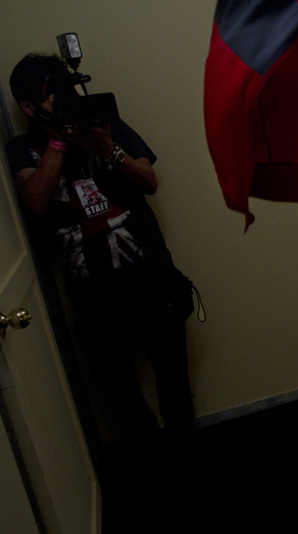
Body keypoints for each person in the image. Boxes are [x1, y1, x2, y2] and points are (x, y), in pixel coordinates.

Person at [5, 53, 196, 467]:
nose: (64, 99)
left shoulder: (103, 122)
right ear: (28, 106)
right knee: (120, 395)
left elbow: (149, 181)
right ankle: (156, 465)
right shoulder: (22, 148)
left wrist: (108, 149)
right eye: (52, 94)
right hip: (94, 295)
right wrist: (59, 139)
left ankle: (186, 461)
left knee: (175, 382)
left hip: (149, 278)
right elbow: (35, 201)